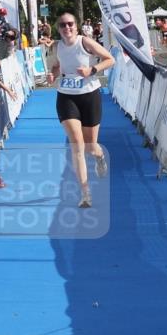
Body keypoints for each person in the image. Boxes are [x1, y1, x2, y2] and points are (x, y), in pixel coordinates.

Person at [46, 12, 115, 208]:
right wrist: (53, 74)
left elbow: (110, 59)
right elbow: (58, 65)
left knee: (91, 146)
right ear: (58, 28)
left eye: (70, 24)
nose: (66, 28)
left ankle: (100, 156)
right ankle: (85, 194)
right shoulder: (57, 46)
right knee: (77, 144)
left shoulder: (85, 42)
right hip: (66, 97)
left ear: (76, 26)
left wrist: (91, 70)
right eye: (62, 25)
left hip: (89, 95)